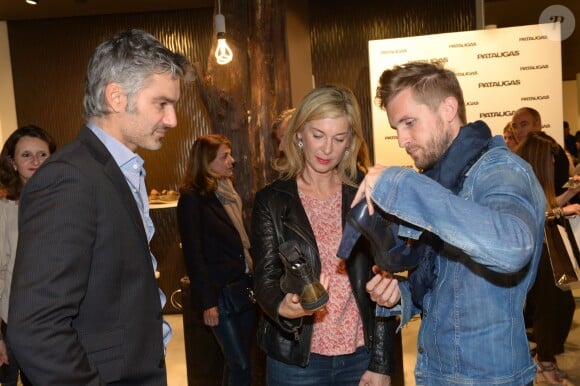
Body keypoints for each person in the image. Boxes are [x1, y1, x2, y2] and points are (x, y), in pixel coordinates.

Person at [7, 29, 190, 385]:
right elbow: (37, 329)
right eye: (162, 103)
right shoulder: (69, 178)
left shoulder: (117, 170)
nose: (172, 120)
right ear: (117, 97)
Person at [358, 62, 545, 385]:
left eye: (409, 123)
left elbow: (513, 246)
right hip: (439, 371)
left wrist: (402, 184)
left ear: (448, 108)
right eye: (396, 128)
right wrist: (401, 294)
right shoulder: (443, 179)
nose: (402, 139)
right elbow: (448, 285)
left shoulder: (500, 172)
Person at [251, 85, 396, 386]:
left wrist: (381, 362)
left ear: (350, 143)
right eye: (318, 135)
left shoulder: (365, 197)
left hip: (359, 355)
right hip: (295, 360)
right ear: (299, 133)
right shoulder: (272, 200)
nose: (327, 149)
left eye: (339, 138)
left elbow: (385, 280)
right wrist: (283, 306)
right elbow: (264, 279)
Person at [177, 134, 255, 386]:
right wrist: (208, 302)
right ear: (206, 162)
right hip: (218, 294)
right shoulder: (192, 198)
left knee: (239, 362)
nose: (232, 160)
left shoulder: (227, 192)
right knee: (239, 363)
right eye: (225, 156)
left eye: (230, 154)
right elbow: (193, 255)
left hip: (241, 286)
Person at [516, 131, 578, 385]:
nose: (554, 164)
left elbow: (546, 205)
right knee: (554, 308)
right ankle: (545, 361)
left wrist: (570, 195)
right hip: (536, 254)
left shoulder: (532, 182)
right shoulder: (521, 183)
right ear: (539, 159)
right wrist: (561, 210)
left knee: (558, 306)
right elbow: (534, 215)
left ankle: (545, 358)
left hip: (543, 251)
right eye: (550, 160)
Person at [0, 125, 55, 386]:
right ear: (12, 161)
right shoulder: (5, 210)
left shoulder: (66, 201)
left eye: (42, 154)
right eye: (26, 155)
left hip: (61, 322)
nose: (35, 161)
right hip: (17, 323)